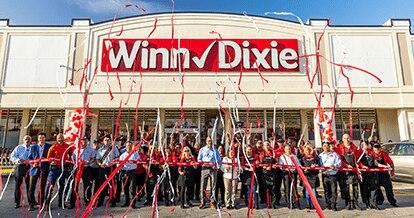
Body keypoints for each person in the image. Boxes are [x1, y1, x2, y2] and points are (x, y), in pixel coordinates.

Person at [44, 133, 74, 209]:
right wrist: (51, 162)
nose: (60, 138)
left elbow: (71, 156)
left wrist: (69, 161)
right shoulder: (53, 147)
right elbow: (48, 158)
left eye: (61, 137)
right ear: (56, 139)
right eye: (59, 137)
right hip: (54, 169)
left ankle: (61, 203)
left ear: (64, 138)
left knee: (62, 186)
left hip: (63, 168)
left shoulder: (68, 147)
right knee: (50, 186)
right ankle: (46, 203)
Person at [68, 136, 97, 209]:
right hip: (77, 169)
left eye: (85, 140)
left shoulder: (91, 149)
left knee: (87, 185)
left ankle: (87, 201)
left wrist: (88, 162)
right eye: (82, 140)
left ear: (87, 141)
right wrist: (77, 162)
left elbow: (93, 159)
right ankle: (72, 202)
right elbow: (72, 159)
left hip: (86, 168)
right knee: (75, 185)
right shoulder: (76, 150)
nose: (83, 142)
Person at [358, 142, 387, 210]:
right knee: (364, 190)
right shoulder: (359, 153)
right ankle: (366, 203)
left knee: (374, 189)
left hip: (373, 174)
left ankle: (374, 204)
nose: (364, 146)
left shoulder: (371, 153)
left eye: (365, 145)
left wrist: (385, 166)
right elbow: (357, 162)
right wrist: (362, 166)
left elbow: (376, 163)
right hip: (364, 174)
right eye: (362, 145)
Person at [27, 133, 52, 211]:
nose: (41, 139)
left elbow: (51, 156)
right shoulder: (33, 147)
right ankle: (31, 204)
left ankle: (41, 204)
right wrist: (32, 163)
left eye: (43, 137)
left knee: (42, 187)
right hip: (34, 169)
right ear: (38, 139)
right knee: (31, 187)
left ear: (45, 138)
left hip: (44, 169)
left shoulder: (49, 146)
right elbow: (29, 157)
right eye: (40, 138)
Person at [338, 134, 363, 210]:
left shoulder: (354, 148)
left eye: (348, 138)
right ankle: (348, 203)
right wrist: (346, 165)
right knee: (346, 188)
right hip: (345, 172)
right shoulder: (340, 148)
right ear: (342, 139)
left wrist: (361, 166)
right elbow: (339, 160)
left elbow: (358, 159)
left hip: (354, 171)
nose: (347, 140)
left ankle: (356, 203)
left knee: (355, 188)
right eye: (345, 138)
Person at [197, 136, 222, 209]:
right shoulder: (202, 149)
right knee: (203, 186)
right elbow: (199, 159)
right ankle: (202, 202)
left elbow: (219, 159)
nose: (209, 142)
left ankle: (212, 201)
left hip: (213, 169)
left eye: (210, 141)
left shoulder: (215, 150)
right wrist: (202, 163)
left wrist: (218, 167)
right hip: (204, 168)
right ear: (206, 141)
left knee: (213, 186)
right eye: (208, 141)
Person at [96, 135, 120, 207]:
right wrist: (100, 164)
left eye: (108, 140)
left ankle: (112, 201)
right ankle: (100, 201)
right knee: (101, 185)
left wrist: (114, 160)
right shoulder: (100, 150)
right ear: (103, 141)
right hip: (102, 168)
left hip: (110, 168)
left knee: (111, 185)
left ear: (110, 141)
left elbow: (118, 156)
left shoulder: (114, 148)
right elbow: (97, 159)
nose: (106, 141)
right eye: (105, 140)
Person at [10, 135, 32, 209]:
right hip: (20, 167)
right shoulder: (19, 147)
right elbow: (12, 156)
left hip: (29, 167)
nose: (27, 140)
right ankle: (17, 202)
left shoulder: (32, 147)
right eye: (26, 139)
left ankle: (31, 202)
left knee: (30, 186)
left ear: (30, 140)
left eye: (29, 139)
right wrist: (18, 160)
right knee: (18, 185)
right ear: (23, 140)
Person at [373, 143, 398, 207]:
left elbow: (390, 162)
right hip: (375, 174)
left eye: (378, 147)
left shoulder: (384, 154)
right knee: (377, 188)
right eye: (375, 147)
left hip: (384, 174)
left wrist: (392, 171)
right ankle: (380, 200)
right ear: (373, 148)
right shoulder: (371, 154)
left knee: (389, 188)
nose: (377, 149)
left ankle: (392, 201)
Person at [319, 141, 341, 211]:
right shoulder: (320, 156)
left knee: (333, 190)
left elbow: (339, 163)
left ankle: (333, 205)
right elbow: (318, 165)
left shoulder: (334, 154)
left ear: (329, 146)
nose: (325, 147)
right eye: (324, 146)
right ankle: (328, 204)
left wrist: (334, 166)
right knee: (326, 191)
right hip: (325, 175)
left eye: (327, 146)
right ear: (322, 147)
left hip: (333, 175)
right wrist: (322, 171)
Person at [278, 144, 301, 209]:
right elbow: (280, 166)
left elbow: (298, 164)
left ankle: (296, 203)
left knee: (294, 188)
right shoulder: (282, 157)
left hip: (293, 173)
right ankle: (289, 203)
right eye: (287, 149)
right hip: (286, 174)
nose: (288, 150)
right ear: (284, 150)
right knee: (287, 189)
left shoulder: (294, 156)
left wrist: (296, 170)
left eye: (289, 149)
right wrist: (284, 170)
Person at [119, 141, 140, 209]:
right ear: (125, 147)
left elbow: (139, 160)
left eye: (130, 145)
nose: (129, 147)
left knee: (132, 188)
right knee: (125, 188)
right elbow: (119, 164)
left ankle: (133, 203)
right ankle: (126, 201)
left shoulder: (135, 154)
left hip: (132, 172)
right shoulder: (122, 155)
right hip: (124, 172)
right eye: (128, 145)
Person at [259, 141, 278, 209]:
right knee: (266, 190)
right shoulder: (262, 154)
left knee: (273, 189)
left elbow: (277, 161)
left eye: (267, 145)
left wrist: (274, 165)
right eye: (265, 145)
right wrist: (266, 167)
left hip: (273, 173)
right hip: (265, 173)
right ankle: (268, 203)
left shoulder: (273, 153)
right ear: (263, 147)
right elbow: (260, 164)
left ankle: (273, 203)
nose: (266, 146)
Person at [241, 145, 259, 209]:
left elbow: (258, 163)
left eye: (250, 150)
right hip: (247, 176)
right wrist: (248, 169)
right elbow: (242, 165)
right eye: (248, 150)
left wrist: (257, 164)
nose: (249, 151)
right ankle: (250, 204)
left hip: (254, 176)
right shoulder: (244, 157)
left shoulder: (255, 156)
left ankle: (256, 204)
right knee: (248, 191)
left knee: (254, 190)